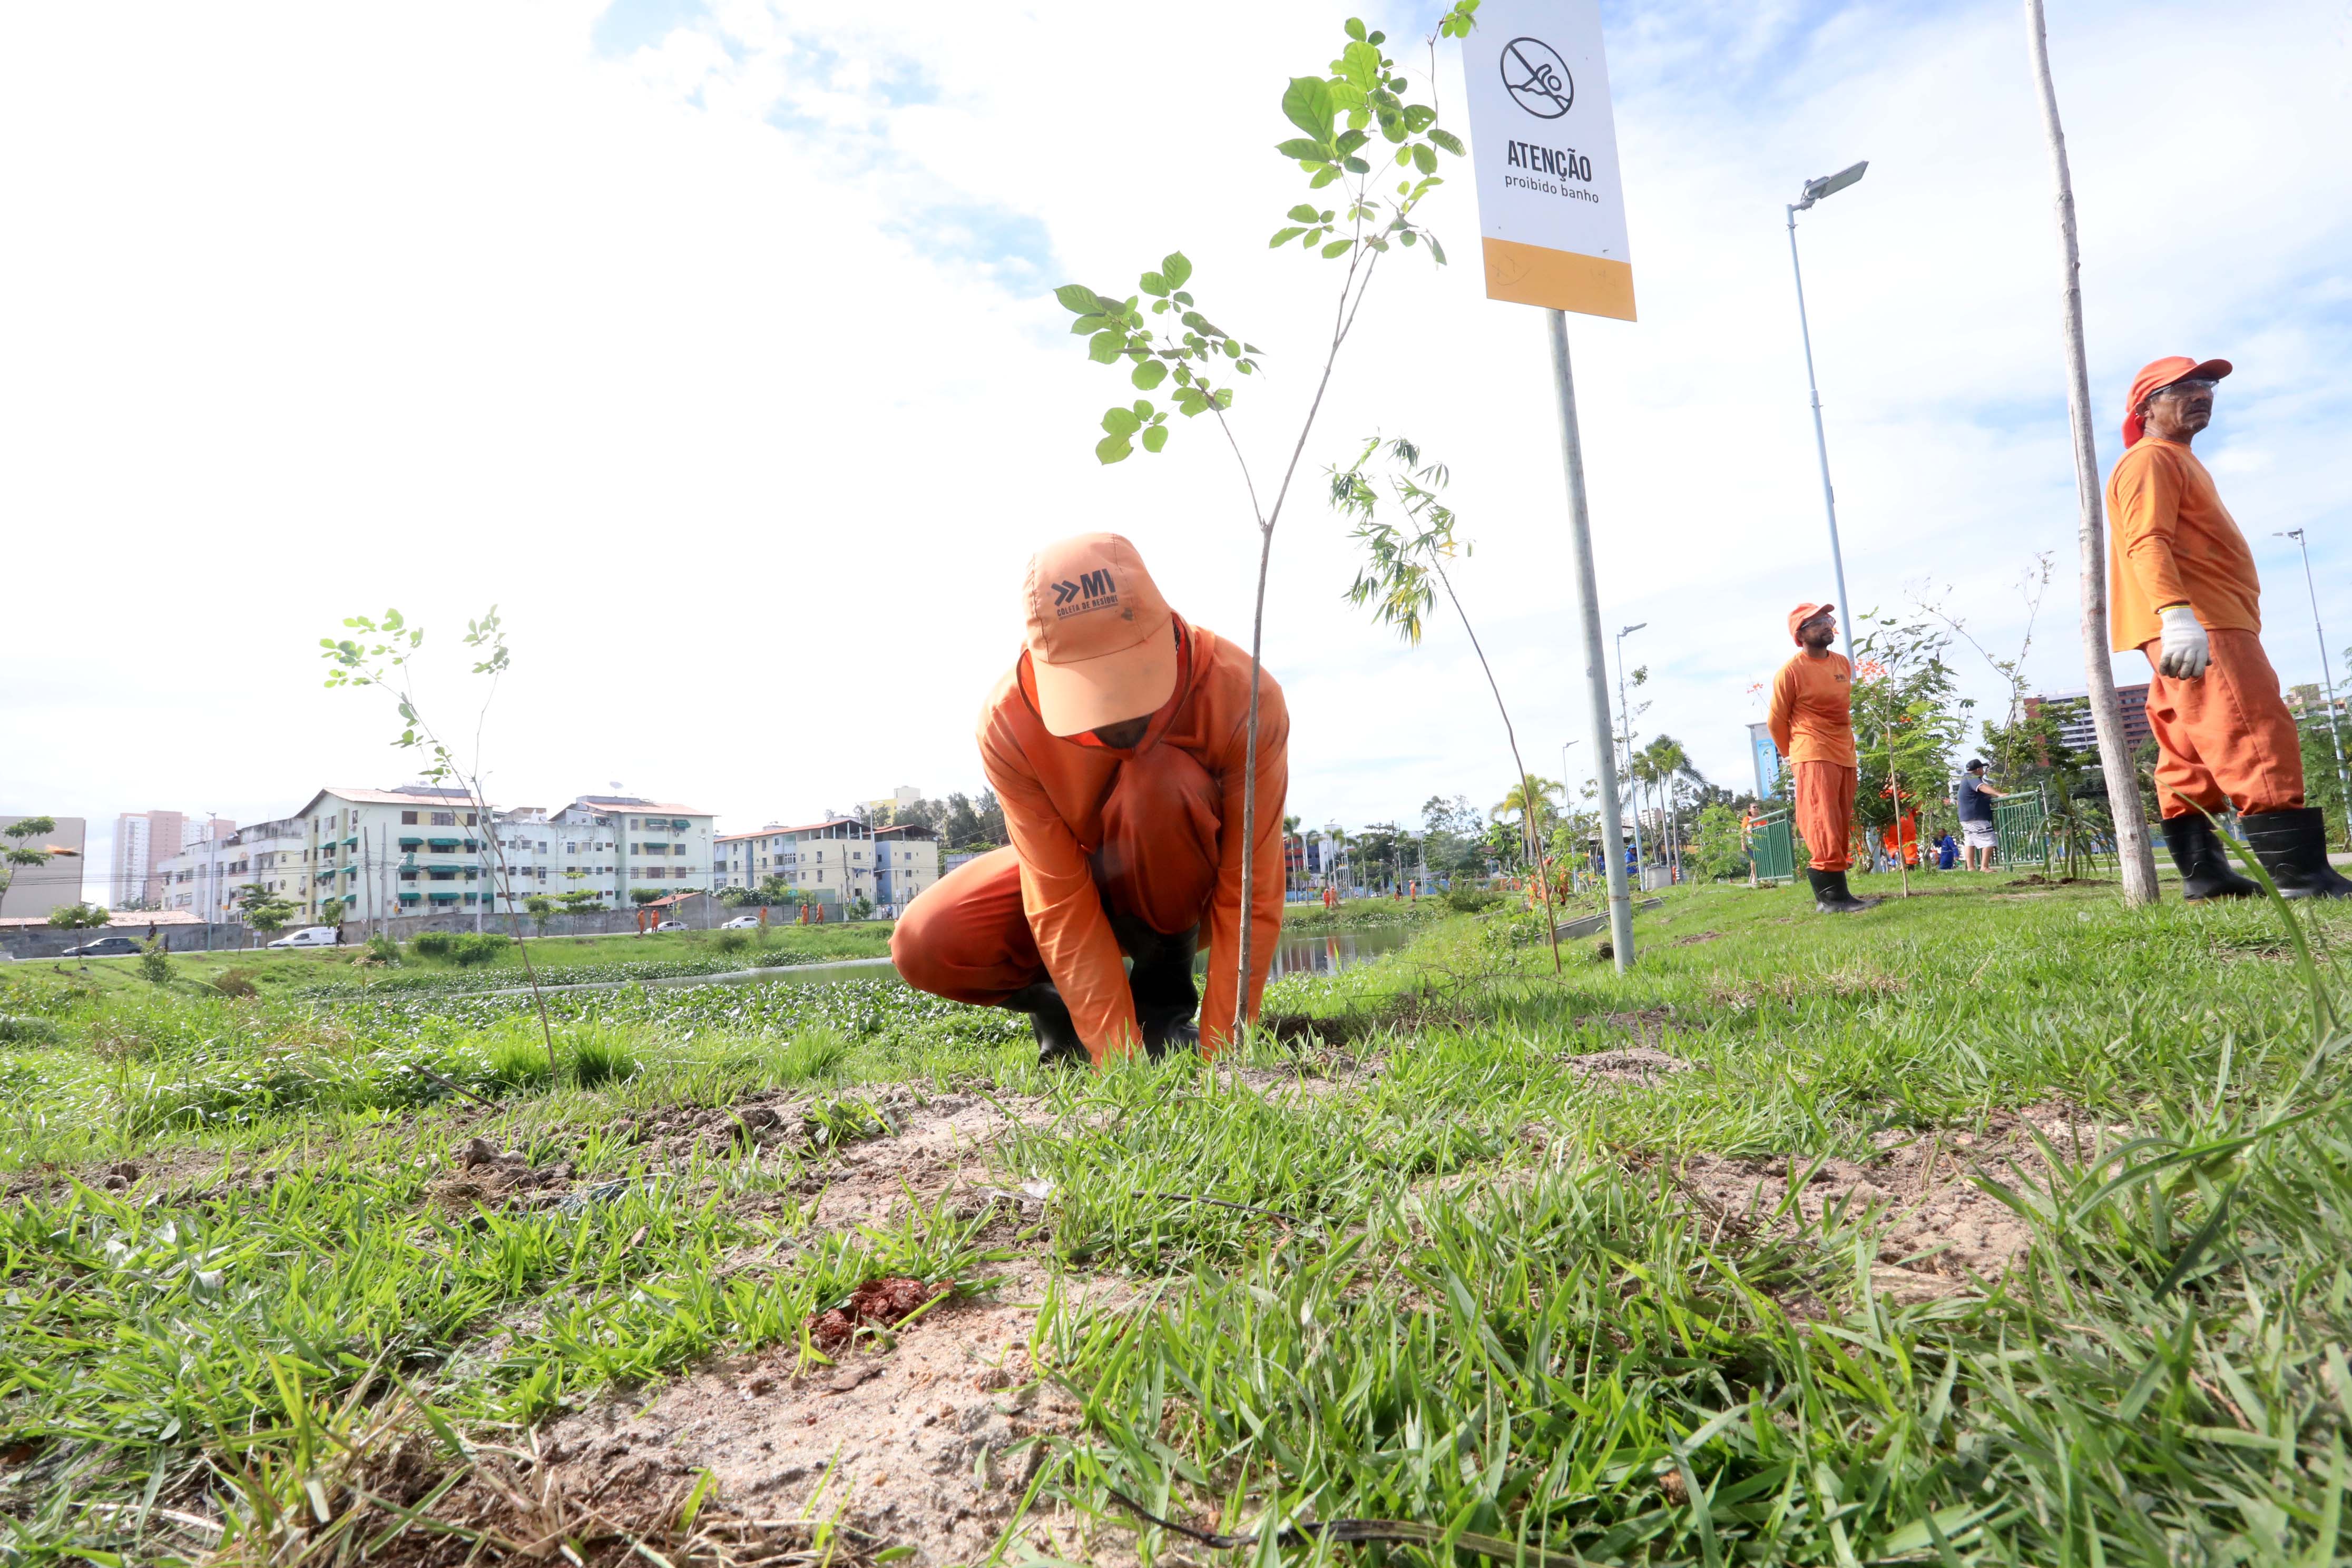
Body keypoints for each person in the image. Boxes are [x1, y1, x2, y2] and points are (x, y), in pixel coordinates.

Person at [891, 533, 1288, 1066]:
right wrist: (1120, 1064)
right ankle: (1064, 1015)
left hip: (1180, 885)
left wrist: (1224, 1055)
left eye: (1128, 676)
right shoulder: (1008, 724)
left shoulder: (1244, 697)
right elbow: (1056, 898)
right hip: (1079, 871)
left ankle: (1162, 1004)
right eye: (1094, 687)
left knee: (1156, 780)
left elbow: (1251, 890)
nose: (1118, 715)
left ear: (1165, 630)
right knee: (926, 941)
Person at [2108, 357, 2348, 899]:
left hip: (2195, 621)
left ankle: (2207, 878)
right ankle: (2300, 877)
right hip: (2203, 620)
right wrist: (2177, 614)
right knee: (2252, 728)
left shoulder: (2173, 458)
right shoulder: (2150, 459)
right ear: (2145, 408)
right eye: (2184, 388)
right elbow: (2147, 541)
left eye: (2207, 385)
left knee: (2187, 751)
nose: (2202, 394)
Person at [1768, 602, 1877, 914]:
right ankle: (1829, 901)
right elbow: (1777, 720)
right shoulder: (1791, 672)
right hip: (1812, 751)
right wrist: (1794, 755)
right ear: (1800, 635)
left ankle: (1842, 896)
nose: (1826, 625)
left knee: (1840, 819)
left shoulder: (1842, 662)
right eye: (1815, 623)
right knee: (1822, 818)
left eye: (1827, 620)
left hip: (1844, 750)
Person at [1951, 759, 2008, 872]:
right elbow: (1982, 787)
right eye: (1982, 769)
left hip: (1966, 817)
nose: (1983, 771)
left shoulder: (1965, 779)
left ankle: (1971, 868)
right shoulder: (1972, 778)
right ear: (1978, 770)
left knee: (1970, 841)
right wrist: (1999, 794)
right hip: (1975, 817)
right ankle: (1984, 867)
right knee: (1989, 840)